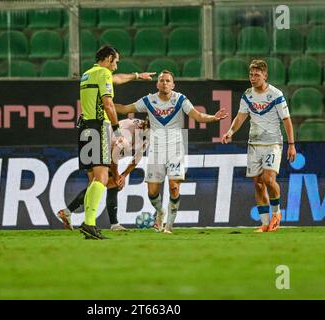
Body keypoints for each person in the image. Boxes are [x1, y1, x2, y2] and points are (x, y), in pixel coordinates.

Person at [115, 70, 228, 234]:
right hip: (155, 149)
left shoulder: (180, 99)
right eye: (162, 80)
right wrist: (108, 105)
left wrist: (213, 118)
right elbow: (125, 109)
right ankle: (160, 211)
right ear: (157, 84)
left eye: (168, 81)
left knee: (174, 187)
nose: (165, 83)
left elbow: (197, 116)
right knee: (152, 192)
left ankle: (168, 225)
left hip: (175, 147)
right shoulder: (149, 100)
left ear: (173, 84)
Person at [77, 45, 154, 240]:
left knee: (93, 179)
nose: (117, 66)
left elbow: (117, 79)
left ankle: (89, 224)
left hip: (84, 128)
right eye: (116, 61)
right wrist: (117, 130)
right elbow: (109, 104)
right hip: (98, 127)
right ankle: (89, 223)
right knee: (102, 178)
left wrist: (137, 75)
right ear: (109, 58)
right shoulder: (103, 74)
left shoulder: (88, 74)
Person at [221, 59, 296, 233]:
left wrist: (291, 145)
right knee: (258, 184)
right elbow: (240, 116)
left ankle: (277, 214)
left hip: (272, 143)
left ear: (265, 75)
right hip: (254, 143)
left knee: (269, 179)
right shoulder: (248, 94)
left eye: (257, 75)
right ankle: (264, 223)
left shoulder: (276, 94)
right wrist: (230, 132)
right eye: (251, 75)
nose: (253, 78)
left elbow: (287, 120)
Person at [57, 117, 150, 231]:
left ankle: (69, 213)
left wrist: (124, 175)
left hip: (98, 146)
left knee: (95, 185)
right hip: (97, 147)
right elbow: (112, 160)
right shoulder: (127, 136)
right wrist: (117, 177)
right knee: (110, 184)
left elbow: (137, 158)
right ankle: (113, 224)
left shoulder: (145, 132)